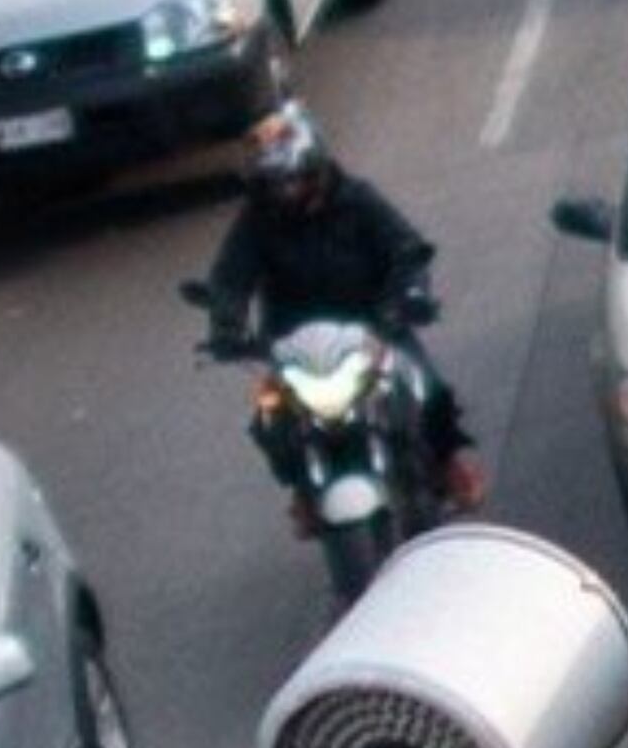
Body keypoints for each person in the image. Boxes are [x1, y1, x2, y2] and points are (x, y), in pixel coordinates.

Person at [200, 101, 488, 512]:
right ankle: (304, 488)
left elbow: (405, 248)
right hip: (293, 345)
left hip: (373, 328)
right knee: (268, 420)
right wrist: (225, 326)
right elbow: (230, 277)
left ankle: (448, 465)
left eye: (292, 181)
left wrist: (406, 297)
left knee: (432, 390)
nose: (285, 192)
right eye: (275, 184)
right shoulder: (256, 220)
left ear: (314, 167)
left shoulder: (357, 200)